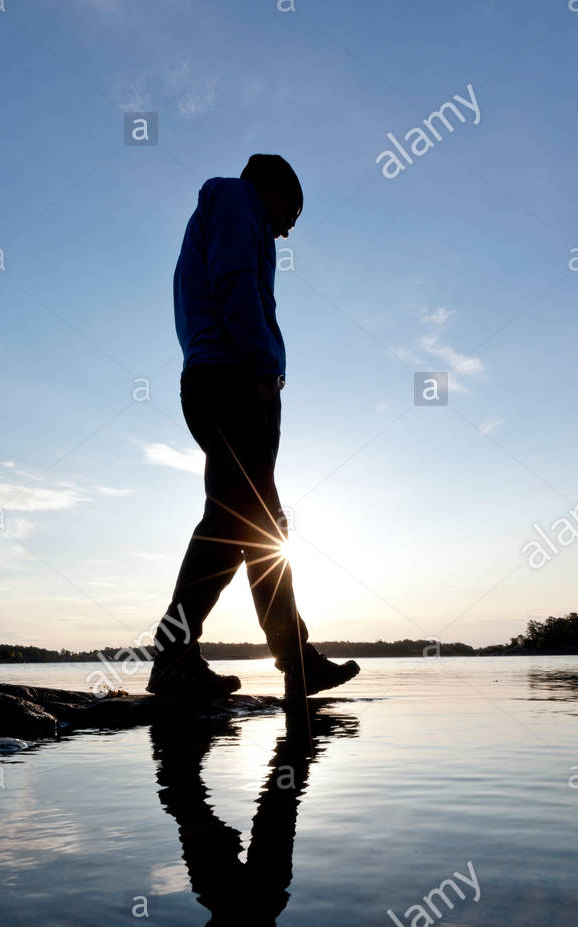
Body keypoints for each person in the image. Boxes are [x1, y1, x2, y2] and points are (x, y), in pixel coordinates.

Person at [147, 153, 360, 700]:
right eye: (292, 213)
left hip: (223, 379)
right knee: (252, 524)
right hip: (232, 381)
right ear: (271, 187)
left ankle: (187, 657)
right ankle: (274, 659)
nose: (287, 231)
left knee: (238, 526)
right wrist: (263, 368)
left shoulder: (228, 210)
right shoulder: (236, 197)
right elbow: (236, 283)